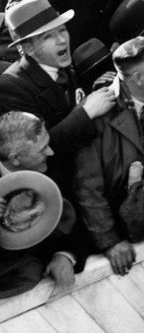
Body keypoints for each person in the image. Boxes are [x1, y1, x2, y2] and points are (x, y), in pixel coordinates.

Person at [73, 37, 144, 276]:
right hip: (104, 235)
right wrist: (110, 242)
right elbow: (87, 188)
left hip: (134, 221)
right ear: (137, 78)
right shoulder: (94, 114)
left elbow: (142, 154)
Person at [0, 0, 115, 192]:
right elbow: (36, 149)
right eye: (48, 36)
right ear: (28, 48)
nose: (62, 40)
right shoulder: (12, 86)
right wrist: (86, 112)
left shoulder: (63, 69)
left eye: (62, 30)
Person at [0, 112, 87, 297]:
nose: (51, 152)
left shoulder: (54, 167)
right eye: (42, 149)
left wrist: (64, 254)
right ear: (15, 158)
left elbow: (77, 220)